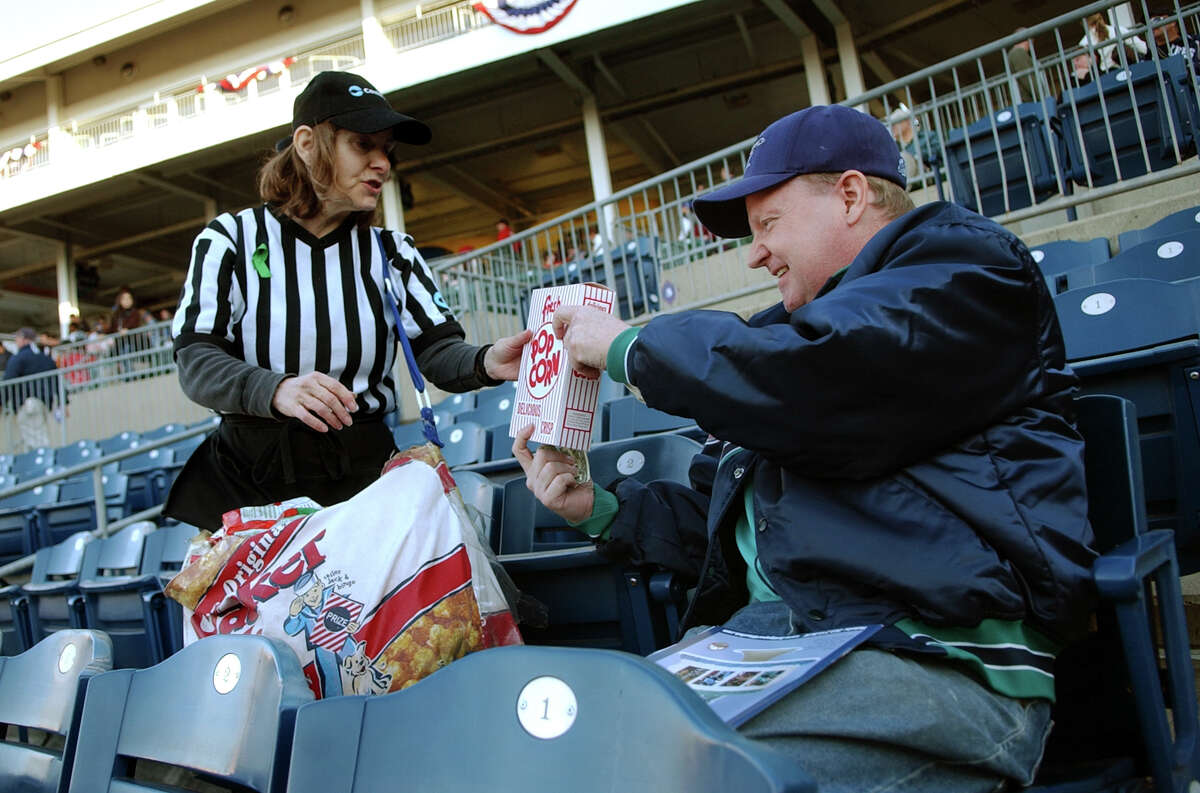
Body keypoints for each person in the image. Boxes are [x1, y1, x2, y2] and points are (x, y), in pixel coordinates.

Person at [513, 106, 1097, 792]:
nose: (754, 252)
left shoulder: (964, 267)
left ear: (851, 195)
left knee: (674, 777)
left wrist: (629, 347)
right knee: (577, 754)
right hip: (772, 647)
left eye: (768, 224)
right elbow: (724, 527)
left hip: (932, 657)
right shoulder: (775, 344)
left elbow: (825, 377)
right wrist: (600, 507)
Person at [165, 71, 529, 529]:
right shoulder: (230, 239)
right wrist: (275, 388)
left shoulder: (392, 251)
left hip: (364, 475)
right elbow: (196, 359)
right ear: (307, 142)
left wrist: (486, 361)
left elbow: (434, 351)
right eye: (363, 145)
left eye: (387, 151)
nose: (382, 163)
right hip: (252, 477)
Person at [4, 327, 60, 451]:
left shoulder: (18, 358)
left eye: (18, 338)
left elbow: (8, 380)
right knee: (34, 440)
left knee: (37, 442)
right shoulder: (44, 358)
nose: (17, 342)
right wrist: (63, 402)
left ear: (24, 340)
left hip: (27, 404)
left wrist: (1, 402)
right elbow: (57, 379)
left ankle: (45, 465)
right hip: (44, 402)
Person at [1079, 11, 1148, 72]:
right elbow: (1142, 47)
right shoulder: (1117, 30)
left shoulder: (1085, 42)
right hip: (1129, 70)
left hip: (1106, 76)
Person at [1150, 8, 1200, 72]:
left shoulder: (1194, 40)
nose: (1152, 25)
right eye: (1149, 23)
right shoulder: (1151, 54)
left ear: (1172, 22)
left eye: (1156, 20)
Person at [1007, 29, 1038, 102]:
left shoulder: (1013, 53)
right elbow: (1026, 77)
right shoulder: (1018, 53)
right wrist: (1040, 94)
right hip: (1028, 100)